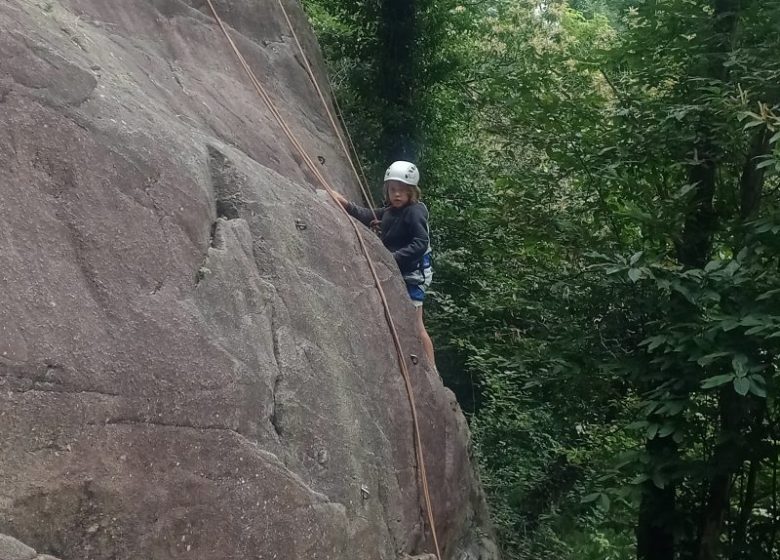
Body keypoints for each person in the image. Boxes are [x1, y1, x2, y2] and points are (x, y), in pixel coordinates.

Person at [332, 161, 435, 365]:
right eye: (393, 190)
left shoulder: (415, 212)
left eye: (402, 190)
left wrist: (393, 257)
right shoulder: (391, 211)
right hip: (398, 267)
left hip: (413, 273)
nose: (397, 194)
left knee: (417, 323)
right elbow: (368, 215)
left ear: (411, 192)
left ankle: (432, 370)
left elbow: (421, 242)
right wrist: (345, 204)